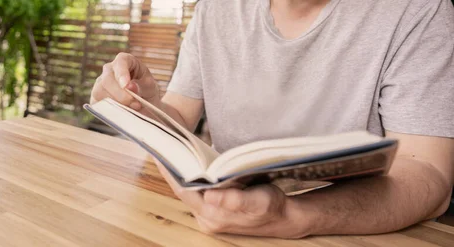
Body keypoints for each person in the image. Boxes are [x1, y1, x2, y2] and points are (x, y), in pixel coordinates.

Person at [89, 0, 454, 238]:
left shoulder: (419, 10)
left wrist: (293, 216)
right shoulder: (214, 10)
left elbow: (429, 176)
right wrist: (145, 103)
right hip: (215, 228)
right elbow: (180, 118)